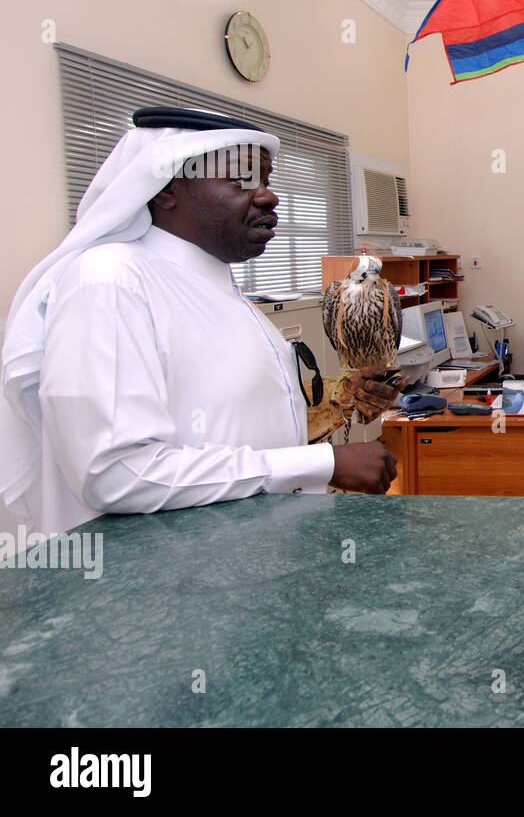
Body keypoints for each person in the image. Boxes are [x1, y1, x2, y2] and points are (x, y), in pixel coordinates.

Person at [0, 107, 400, 538]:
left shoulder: (224, 293)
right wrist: (323, 464)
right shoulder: (110, 280)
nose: (268, 196)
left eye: (266, 180)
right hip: (167, 589)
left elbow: (234, 424)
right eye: (242, 179)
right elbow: (116, 473)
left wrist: (342, 401)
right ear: (167, 188)